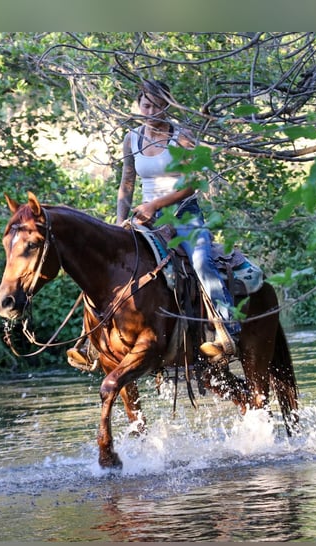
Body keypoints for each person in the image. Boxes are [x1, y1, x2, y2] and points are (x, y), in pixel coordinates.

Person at [66, 79, 239, 370]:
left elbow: (195, 183)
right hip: (143, 218)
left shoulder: (181, 137)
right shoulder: (131, 138)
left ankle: (225, 328)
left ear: (167, 106)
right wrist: (121, 221)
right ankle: (90, 341)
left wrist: (155, 205)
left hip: (183, 214)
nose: (151, 111)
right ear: (139, 105)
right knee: (104, 266)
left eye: (158, 105)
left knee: (201, 262)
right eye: (146, 105)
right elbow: (127, 182)